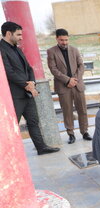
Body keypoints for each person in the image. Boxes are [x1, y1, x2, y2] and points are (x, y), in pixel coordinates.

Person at [0, 22, 60, 155]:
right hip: (14, 95)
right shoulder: (1, 49)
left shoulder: (17, 48)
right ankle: (10, 153)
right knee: (12, 125)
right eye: (18, 34)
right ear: (8, 33)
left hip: (27, 92)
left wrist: (32, 82)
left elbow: (29, 68)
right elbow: (8, 72)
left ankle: (41, 148)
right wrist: (26, 84)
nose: (21, 37)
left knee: (33, 121)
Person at [47, 28, 92, 144]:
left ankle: (85, 131)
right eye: (61, 40)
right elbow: (53, 69)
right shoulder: (51, 51)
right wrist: (67, 80)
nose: (64, 42)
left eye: (66, 40)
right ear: (57, 39)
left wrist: (75, 79)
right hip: (63, 86)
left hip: (77, 85)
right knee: (67, 111)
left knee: (82, 109)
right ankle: (71, 134)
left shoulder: (75, 50)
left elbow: (81, 66)